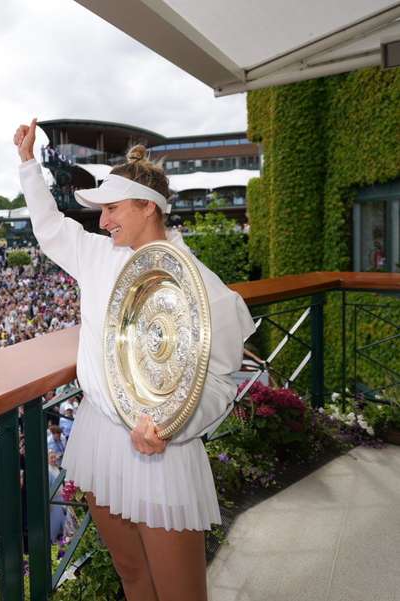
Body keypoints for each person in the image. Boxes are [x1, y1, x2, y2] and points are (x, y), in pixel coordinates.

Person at [14, 119, 255, 601]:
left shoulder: (209, 290)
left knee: (180, 593)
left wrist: (169, 427)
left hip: (160, 451)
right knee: (131, 575)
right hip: (99, 435)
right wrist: (27, 166)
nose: (102, 221)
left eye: (112, 208)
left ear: (149, 207)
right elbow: (50, 229)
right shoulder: (98, 256)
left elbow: (222, 383)